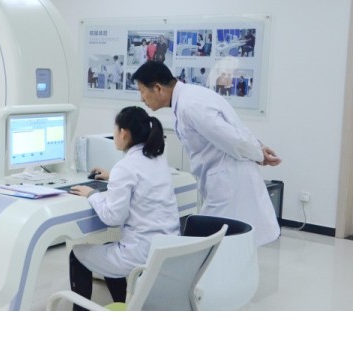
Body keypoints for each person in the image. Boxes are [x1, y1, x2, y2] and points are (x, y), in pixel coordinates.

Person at [131, 61, 281, 246]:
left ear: (157, 88)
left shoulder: (190, 105)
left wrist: (259, 153)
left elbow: (231, 138)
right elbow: (233, 130)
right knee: (229, 244)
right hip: (226, 176)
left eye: (141, 91)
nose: (141, 99)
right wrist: (258, 148)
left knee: (215, 244)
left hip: (228, 180)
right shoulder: (191, 97)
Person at [67, 106, 180, 310]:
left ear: (124, 133)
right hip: (165, 248)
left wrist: (92, 194)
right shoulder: (158, 159)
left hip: (139, 254)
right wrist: (114, 177)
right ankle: (123, 305)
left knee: (77, 254)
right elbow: (142, 182)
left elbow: (113, 218)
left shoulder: (125, 167)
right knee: (109, 246)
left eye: (114, 129)